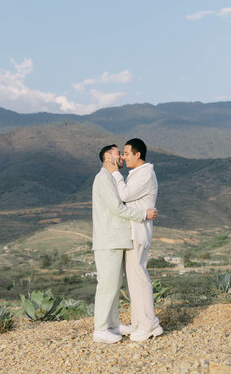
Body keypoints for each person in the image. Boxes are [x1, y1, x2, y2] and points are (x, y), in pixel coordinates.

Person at [92, 144, 158, 344]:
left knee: (114, 284)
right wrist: (142, 214)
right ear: (107, 158)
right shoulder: (103, 178)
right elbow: (117, 208)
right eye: (118, 153)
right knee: (107, 286)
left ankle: (113, 324)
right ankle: (100, 329)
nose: (121, 156)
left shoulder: (111, 177)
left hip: (117, 239)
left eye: (123, 153)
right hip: (109, 240)